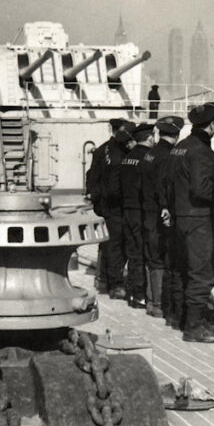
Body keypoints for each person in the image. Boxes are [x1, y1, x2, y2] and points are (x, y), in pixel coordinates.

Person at [170, 102, 214, 343]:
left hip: (181, 217)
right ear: (211, 125)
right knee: (203, 271)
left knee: (184, 269)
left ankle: (180, 317)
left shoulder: (180, 147)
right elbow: (202, 190)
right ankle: (194, 326)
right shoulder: (201, 151)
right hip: (199, 218)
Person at [86, 119, 135, 299]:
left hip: (105, 205)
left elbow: (91, 175)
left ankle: (103, 279)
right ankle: (116, 284)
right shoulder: (119, 155)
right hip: (116, 206)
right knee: (117, 244)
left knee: (107, 243)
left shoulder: (102, 149)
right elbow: (115, 186)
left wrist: (95, 199)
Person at [142, 115, 183, 318]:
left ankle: (151, 301)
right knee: (160, 257)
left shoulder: (150, 153)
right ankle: (158, 304)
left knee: (151, 256)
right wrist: (166, 208)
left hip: (147, 211)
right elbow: (162, 185)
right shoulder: (167, 156)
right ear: (177, 133)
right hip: (159, 212)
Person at [120, 123, 155, 308]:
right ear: (150, 138)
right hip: (141, 212)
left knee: (133, 252)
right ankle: (142, 295)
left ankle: (134, 294)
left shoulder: (127, 158)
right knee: (143, 253)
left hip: (127, 210)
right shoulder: (147, 158)